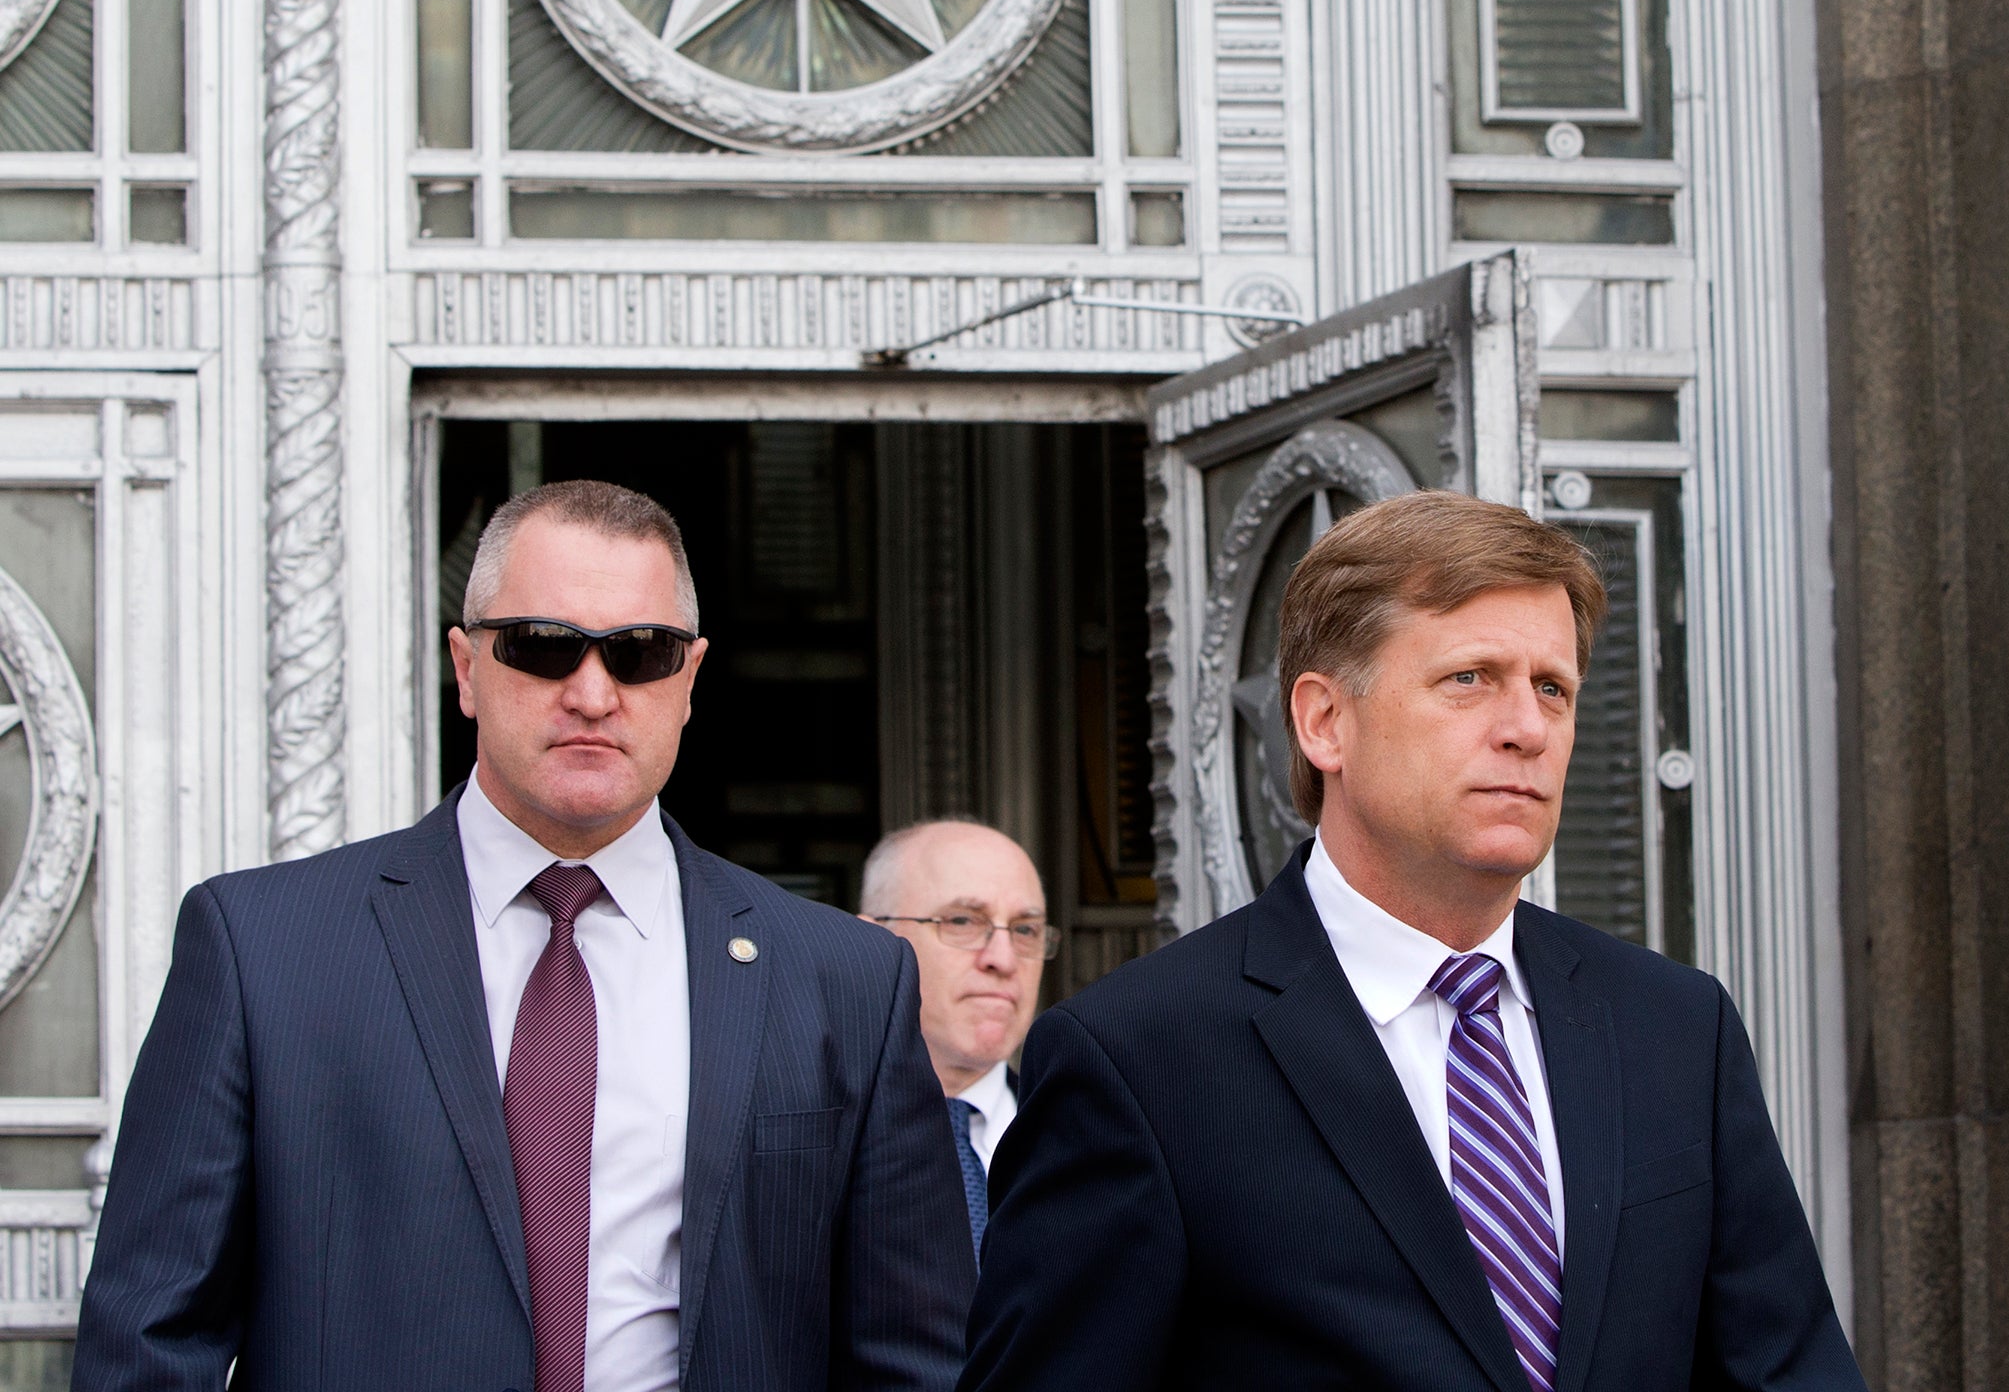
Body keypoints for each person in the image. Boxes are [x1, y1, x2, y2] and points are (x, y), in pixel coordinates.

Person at [75, 480, 974, 1392]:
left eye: (641, 654)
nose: (593, 693)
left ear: (689, 679)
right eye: (544, 647)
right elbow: (150, 1343)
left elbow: (911, 1361)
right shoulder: (261, 950)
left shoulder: (846, 980)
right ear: (466, 670)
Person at [961, 490, 1865, 1392]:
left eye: (1553, 688)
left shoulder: (1674, 1026)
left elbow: (1790, 1370)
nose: (1527, 729)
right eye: (1469, 679)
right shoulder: (1137, 1057)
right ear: (1324, 722)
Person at [859, 820, 1053, 1262]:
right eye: (963, 921)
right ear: (869, 940)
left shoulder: (1086, 1138)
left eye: (1024, 929)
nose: (1003, 960)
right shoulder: (810, 1140)